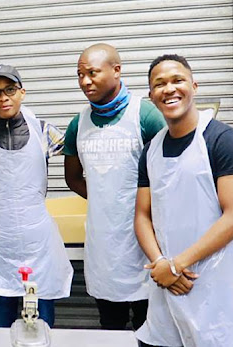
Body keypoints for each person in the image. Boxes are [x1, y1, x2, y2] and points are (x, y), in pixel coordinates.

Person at [135, 55, 233, 347]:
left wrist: (177, 265)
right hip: (166, 290)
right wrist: (161, 263)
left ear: (194, 86)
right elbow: (141, 215)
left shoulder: (223, 141)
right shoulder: (151, 150)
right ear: (151, 96)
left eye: (177, 80)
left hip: (213, 293)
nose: (169, 89)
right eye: (159, 84)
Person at [0, 64, 73, 328]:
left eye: (10, 89)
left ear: (22, 92)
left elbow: (83, 152)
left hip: (38, 243)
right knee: (1, 325)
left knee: (42, 323)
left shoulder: (45, 132)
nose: (3, 97)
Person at [63, 44, 166, 330]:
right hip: (104, 246)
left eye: (93, 73)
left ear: (116, 70)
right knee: (110, 325)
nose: (85, 81)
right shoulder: (78, 124)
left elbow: (169, 174)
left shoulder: (145, 116)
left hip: (147, 242)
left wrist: (140, 205)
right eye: (80, 75)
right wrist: (105, 197)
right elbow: (72, 178)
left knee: (151, 326)